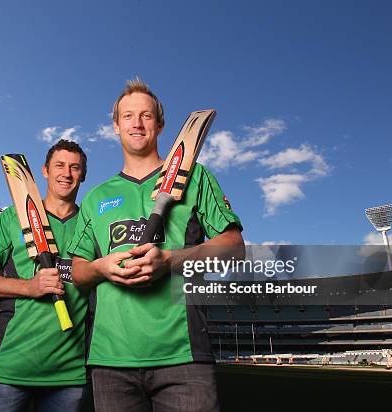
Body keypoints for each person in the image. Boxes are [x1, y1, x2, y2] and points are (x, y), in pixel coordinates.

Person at [68, 79, 244, 412]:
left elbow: (235, 246)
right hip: (111, 359)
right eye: (128, 116)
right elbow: (77, 272)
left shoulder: (196, 176)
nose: (137, 123)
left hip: (183, 358)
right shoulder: (96, 198)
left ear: (160, 125)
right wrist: (99, 267)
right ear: (116, 127)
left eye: (146, 116)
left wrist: (171, 260)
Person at [0, 139, 89, 412]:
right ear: (45, 170)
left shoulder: (92, 225)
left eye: (75, 167)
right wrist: (29, 287)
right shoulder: (11, 218)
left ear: (83, 175)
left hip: (70, 375)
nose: (66, 173)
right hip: (9, 369)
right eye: (59, 165)